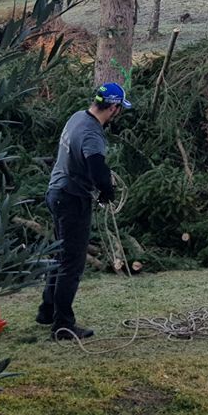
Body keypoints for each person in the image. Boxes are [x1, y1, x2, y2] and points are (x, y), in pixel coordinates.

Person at [37, 81, 130, 340]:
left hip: (55, 193)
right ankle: (63, 325)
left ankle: (47, 311)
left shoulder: (78, 117)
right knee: (72, 263)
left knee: (59, 255)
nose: (118, 113)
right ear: (113, 108)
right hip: (71, 200)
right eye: (119, 109)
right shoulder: (92, 134)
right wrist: (107, 191)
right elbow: (97, 169)